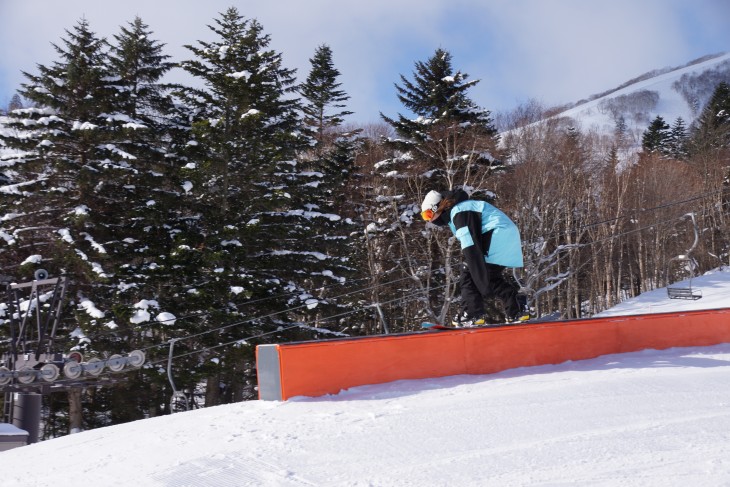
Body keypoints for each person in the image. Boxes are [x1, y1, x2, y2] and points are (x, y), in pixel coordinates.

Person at [420, 188, 528, 326]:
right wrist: (483, 282)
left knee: (469, 275)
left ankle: (472, 314)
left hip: (497, 235)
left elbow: (470, 245)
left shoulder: (460, 211)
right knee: (489, 276)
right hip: (505, 236)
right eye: (424, 217)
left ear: (437, 207)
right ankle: (516, 308)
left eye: (428, 214)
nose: (429, 220)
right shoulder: (460, 209)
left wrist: (477, 275)